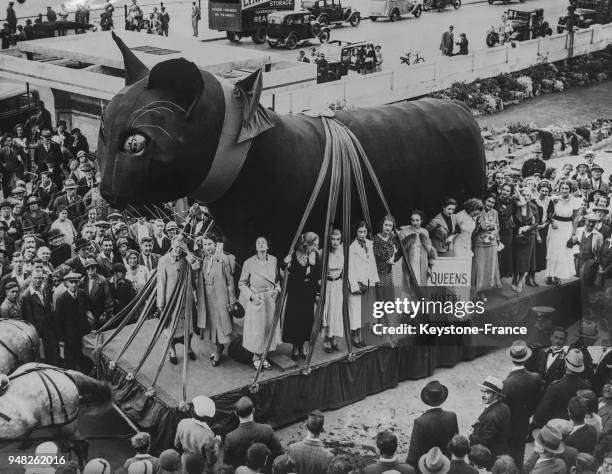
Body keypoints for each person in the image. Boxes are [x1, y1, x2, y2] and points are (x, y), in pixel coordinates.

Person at [239, 236, 281, 368]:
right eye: (258, 242)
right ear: (256, 247)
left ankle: (264, 356)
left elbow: (278, 280)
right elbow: (242, 283)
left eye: (264, 242)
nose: (261, 244)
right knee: (257, 330)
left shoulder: (274, 260)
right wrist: (251, 296)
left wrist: (277, 290)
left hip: (270, 299)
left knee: (268, 328)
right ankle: (256, 357)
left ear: (268, 246)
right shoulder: (248, 262)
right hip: (257, 300)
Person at [158, 236, 199, 365]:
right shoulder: (163, 261)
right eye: (176, 246)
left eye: (181, 247)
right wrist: (161, 304)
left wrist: (187, 252)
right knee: (171, 328)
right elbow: (161, 283)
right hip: (172, 302)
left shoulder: (187, 258)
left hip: (186, 300)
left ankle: (188, 348)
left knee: (188, 328)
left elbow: (197, 268)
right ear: (171, 245)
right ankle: (172, 351)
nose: (178, 249)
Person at [196, 233, 235, 367]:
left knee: (219, 325)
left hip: (220, 297)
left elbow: (230, 280)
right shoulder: (204, 259)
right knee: (211, 324)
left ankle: (219, 350)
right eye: (205, 245)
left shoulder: (223, 259)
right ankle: (218, 347)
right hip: (207, 297)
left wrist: (232, 300)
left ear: (215, 244)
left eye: (210, 244)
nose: (207, 247)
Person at [502, 340, 542, 470]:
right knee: (519, 455)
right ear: (526, 358)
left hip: (510, 427)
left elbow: (503, 410)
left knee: (507, 458)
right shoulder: (535, 377)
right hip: (524, 423)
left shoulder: (507, 383)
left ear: (512, 358)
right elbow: (536, 402)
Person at [282, 232, 320, 361]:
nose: (316, 247)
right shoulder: (295, 254)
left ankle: (303, 345)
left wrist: (317, 292)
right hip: (296, 291)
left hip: (308, 292)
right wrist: (286, 264)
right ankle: (295, 346)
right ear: (307, 244)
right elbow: (291, 273)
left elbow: (317, 275)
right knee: (295, 319)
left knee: (306, 319)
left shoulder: (316, 255)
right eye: (314, 245)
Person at [533, 348, 592, 428]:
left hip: (557, 428)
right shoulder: (587, 386)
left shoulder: (555, 386)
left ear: (565, 363)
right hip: (577, 427)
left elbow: (540, 413)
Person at [406, 381, 458, 468]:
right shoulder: (452, 416)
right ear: (442, 399)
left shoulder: (420, 422)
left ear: (425, 400)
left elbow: (413, 455)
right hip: (445, 464)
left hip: (427, 467)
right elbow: (455, 444)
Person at [224, 396, 283, 470]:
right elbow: (279, 453)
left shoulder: (230, 438)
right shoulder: (267, 430)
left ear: (236, 414)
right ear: (253, 411)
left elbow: (227, 463)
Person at [348, 221, 378, 348]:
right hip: (358, 284)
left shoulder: (369, 245)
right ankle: (354, 336)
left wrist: (374, 280)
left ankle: (360, 335)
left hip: (367, 282)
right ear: (356, 232)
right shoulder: (352, 248)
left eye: (364, 232)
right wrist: (354, 286)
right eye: (360, 232)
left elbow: (372, 264)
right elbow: (350, 269)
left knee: (363, 311)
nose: (362, 234)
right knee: (355, 311)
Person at [55, 271, 92, 370]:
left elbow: (88, 310)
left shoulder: (82, 294)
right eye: (71, 282)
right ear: (67, 283)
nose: (74, 285)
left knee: (84, 355)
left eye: (76, 282)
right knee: (70, 358)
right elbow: (59, 320)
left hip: (83, 332)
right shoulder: (62, 299)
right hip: (69, 335)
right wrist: (61, 339)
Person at [21, 271, 60, 365]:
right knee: (43, 355)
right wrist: (37, 333)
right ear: (31, 278)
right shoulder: (26, 296)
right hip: (39, 330)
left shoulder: (44, 289)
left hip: (49, 327)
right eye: (35, 278)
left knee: (54, 351)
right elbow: (29, 317)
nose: (38, 280)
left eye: (40, 278)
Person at [547, 181, 580, 285]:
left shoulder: (575, 201)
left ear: (570, 189)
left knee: (563, 251)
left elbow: (575, 218)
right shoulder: (554, 199)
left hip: (567, 227)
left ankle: (557, 276)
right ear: (559, 189)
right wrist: (552, 222)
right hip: (555, 227)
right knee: (553, 250)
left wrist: (574, 233)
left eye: (567, 188)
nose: (564, 191)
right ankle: (549, 274)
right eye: (563, 188)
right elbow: (549, 215)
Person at [174, 396, 218, 472]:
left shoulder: (182, 422)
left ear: (193, 410)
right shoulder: (207, 435)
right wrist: (216, 444)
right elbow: (211, 460)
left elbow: (176, 444)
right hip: (202, 466)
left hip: (185, 461)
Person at [470, 376, 511, 457]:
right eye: (482, 391)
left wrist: (471, 436)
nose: (483, 395)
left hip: (491, 454)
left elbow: (484, 441)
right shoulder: (504, 406)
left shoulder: (491, 416)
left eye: (487, 392)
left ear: (496, 395)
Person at [472, 195, 501, 301]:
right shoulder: (478, 212)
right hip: (480, 242)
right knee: (480, 266)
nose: (490, 204)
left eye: (493, 202)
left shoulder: (495, 212)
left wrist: (495, 235)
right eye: (489, 201)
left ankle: (484, 291)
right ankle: (477, 291)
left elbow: (497, 226)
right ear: (485, 201)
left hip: (491, 242)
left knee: (489, 266)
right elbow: (474, 228)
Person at [397, 210, 436, 288]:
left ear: (421, 221)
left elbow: (430, 250)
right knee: (410, 286)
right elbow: (400, 249)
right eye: (413, 220)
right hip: (410, 263)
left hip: (423, 262)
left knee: (421, 286)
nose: (415, 223)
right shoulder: (404, 232)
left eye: (417, 220)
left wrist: (430, 265)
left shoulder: (425, 232)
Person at [512, 186, 538, 293]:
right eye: (524, 195)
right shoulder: (516, 206)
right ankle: (514, 278)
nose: (526, 197)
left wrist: (528, 227)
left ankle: (521, 281)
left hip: (529, 236)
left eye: (528, 195)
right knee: (516, 258)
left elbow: (536, 223)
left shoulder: (533, 207)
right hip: (516, 235)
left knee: (525, 260)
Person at [321, 229, 344, 352]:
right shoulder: (324, 253)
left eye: (338, 239)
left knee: (336, 311)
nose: (335, 242)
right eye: (333, 239)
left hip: (338, 284)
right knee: (327, 311)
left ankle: (333, 336)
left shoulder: (342, 251)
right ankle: (326, 338)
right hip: (328, 285)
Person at [532, 180, 554, 286]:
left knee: (542, 253)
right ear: (538, 190)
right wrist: (537, 230)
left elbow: (551, 216)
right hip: (535, 229)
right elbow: (531, 218)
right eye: (542, 190)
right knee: (534, 252)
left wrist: (545, 225)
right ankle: (530, 276)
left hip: (545, 228)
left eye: (546, 191)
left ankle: (536, 275)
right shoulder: (534, 201)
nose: (544, 193)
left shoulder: (550, 201)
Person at [82, 257, 113, 330]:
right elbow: (81, 299)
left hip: (101, 315)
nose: (90, 270)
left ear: (96, 268)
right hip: (88, 315)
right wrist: (86, 312)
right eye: (88, 268)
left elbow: (108, 299)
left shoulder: (102, 280)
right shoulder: (83, 281)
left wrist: (106, 313)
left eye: (92, 267)